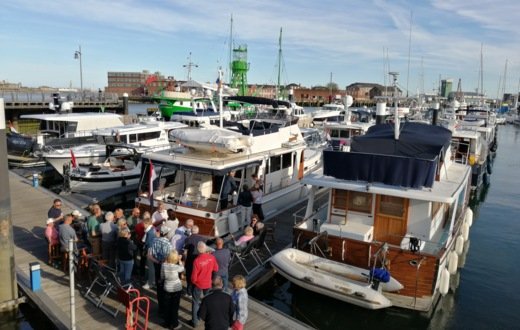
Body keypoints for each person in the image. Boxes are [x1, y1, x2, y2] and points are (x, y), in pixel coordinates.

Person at [191, 241, 219, 328]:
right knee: (207, 302)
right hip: (208, 283)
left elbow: (194, 277)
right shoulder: (211, 257)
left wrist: (193, 282)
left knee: (195, 302)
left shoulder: (196, 261)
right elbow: (216, 268)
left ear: (198, 250)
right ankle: (206, 317)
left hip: (198, 284)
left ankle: (195, 321)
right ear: (205, 248)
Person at [148, 225, 172, 316]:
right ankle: (165, 309)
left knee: (159, 286)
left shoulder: (154, 240)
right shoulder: (168, 244)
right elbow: (169, 258)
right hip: (165, 267)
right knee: (166, 287)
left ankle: (161, 308)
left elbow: (150, 256)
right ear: (166, 233)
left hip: (157, 265)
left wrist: (157, 261)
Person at [161, 250, 184, 330]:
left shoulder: (164, 265)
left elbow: (162, 276)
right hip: (176, 288)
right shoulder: (176, 267)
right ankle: (174, 324)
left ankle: (166, 323)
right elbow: (182, 269)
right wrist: (180, 260)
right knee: (175, 307)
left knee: (167, 306)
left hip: (167, 287)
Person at [183, 225, 207, 297]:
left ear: (191, 231)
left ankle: (189, 292)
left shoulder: (188, 239)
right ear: (198, 231)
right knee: (198, 275)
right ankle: (197, 291)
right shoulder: (203, 239)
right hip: (199, 260)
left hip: (190, 261)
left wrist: (184, 260)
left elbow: (185, 252)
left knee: (189, 276)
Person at [142, 216, 156, 289]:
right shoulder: (153, 229)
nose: (143, 225)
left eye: (143, 224)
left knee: (150, 267)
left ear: (147, 223)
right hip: (153, 250)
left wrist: (145, 251)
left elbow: (148, 243)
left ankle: (150, 283)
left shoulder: (150, 232)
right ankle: (151, 281)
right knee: (152, 267)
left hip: (150, 251)